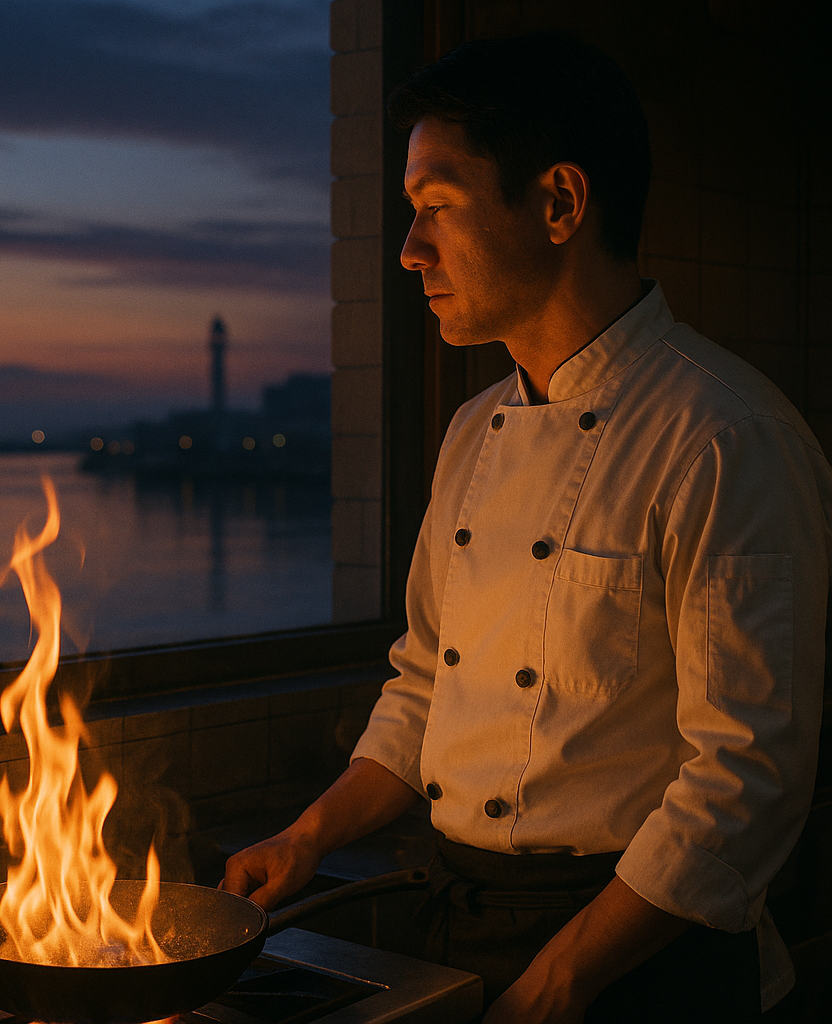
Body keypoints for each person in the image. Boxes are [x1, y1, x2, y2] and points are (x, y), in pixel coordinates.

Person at [222, 32, 832, 1023]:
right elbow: (426, 682)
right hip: (460, 917)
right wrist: (307, 836)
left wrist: (561, 979)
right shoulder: (471, 433)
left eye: (434, 209)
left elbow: (747, 777)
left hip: (640, 955)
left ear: (557, 203)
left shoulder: (724, 435)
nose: (410, 249)